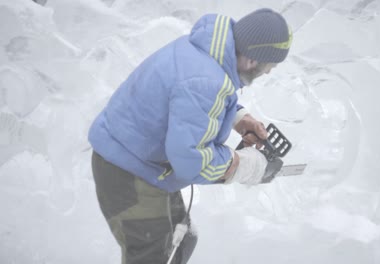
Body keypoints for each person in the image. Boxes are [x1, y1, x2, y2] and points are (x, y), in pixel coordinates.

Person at [88, 8, 292, 264]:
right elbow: (192, 161)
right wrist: (245, 165)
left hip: (139, 160)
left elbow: (185, 101)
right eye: (269, 65)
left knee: (183, 239)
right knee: (155, 255)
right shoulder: (206, 81)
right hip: (127, 173)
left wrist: (238, 118)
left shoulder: (204, 52)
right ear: (252, 60)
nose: (269, 72)